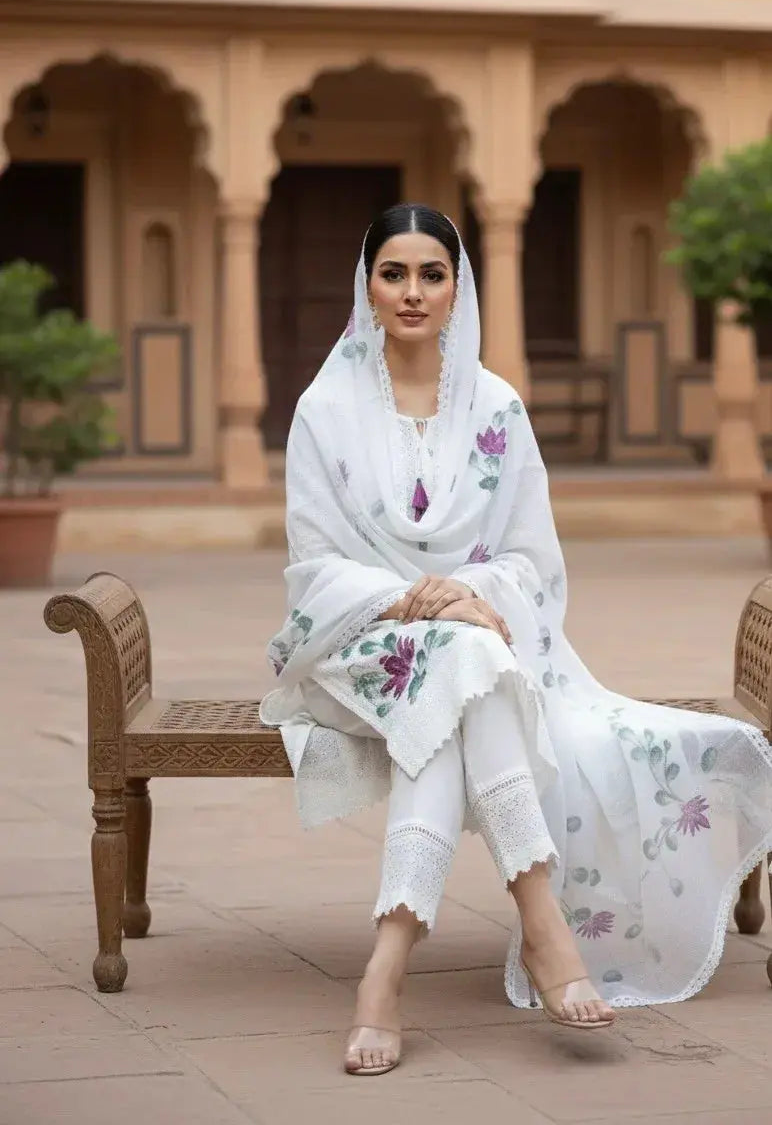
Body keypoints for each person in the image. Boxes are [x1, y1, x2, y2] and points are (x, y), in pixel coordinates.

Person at [260, 203, 772, 1076]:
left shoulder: (495, 405)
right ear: (368, 285)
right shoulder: (326, 407)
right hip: (361, 640)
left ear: (459, 289)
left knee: (473, 668)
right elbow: (314, 566)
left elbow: (532, 562)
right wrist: (418, 601)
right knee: (474, 665)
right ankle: (544, 925)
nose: (412, 293)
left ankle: (386, 970)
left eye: (432, 275)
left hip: (477, 636)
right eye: (394, 274)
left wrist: (471, 593)